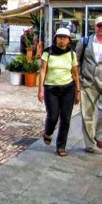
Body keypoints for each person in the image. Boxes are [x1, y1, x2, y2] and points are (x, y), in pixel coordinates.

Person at [38, 28, 81, 157]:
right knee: (53, 116)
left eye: (65, 37)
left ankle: (61, 146)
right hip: (51, 88)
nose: (62, 39)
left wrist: (78, 91)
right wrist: (40, 89)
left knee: (66, 118)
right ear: (55, 38)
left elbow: (75, 74)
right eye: (60, 37)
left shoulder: (72, 54)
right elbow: (43, 71)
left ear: (69, 40)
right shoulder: (48, 52)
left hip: (68, 88)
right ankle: (48, 132)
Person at [75, 15, 102, 153]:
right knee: (87, 114)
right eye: (99, 25)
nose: (101, 29)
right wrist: (77, 82)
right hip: (88, 82)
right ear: (94, 26)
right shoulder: (85, 41)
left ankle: (99, 136)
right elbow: (76, 61)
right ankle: (89, 144)